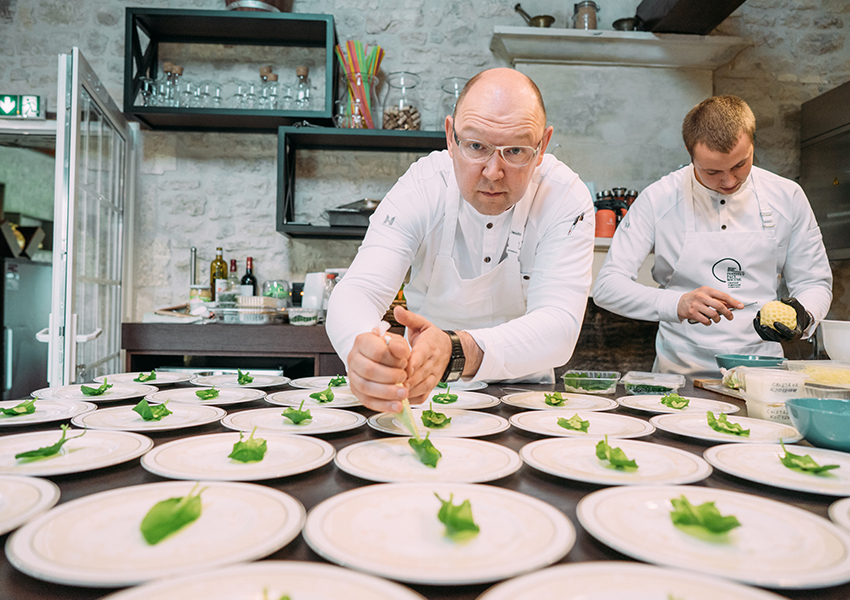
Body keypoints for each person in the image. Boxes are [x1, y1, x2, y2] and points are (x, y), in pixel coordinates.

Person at [326, 68, 594, 412]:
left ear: (541, 147)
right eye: (476, 146)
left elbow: (560, 327)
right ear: (451, 137)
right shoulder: (423, 185)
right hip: (429, 397)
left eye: (515, 151)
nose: (493, 172)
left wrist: (456, 350)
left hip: (528, 401)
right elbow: (358, 289)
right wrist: (362, 348)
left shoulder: (564, 196)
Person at [592, 95, 832, 379]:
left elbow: (813, 282)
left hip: (762, 374)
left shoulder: (787, 196)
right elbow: (608, 287)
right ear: (689, 152)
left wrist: (803, 315)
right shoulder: (658, 199)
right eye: (712, 171)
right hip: (680, 376)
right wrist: (676, 303)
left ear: (753, 143)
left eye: (740, 165)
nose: (729, 181)